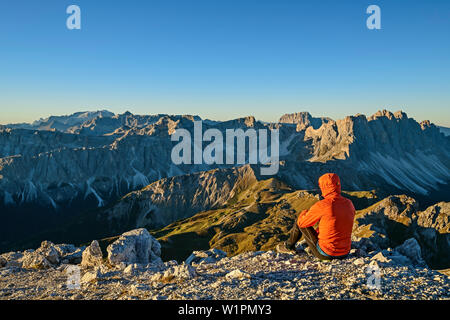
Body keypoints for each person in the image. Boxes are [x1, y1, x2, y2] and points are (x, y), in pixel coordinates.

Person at [277, 173, 355, 260]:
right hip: (345, 253)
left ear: (323, 187)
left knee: (300, 220)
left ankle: (288, 246)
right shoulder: (349, 203)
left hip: (326, 253)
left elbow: (302, 223)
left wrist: (304, 212)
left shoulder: (323, 205)